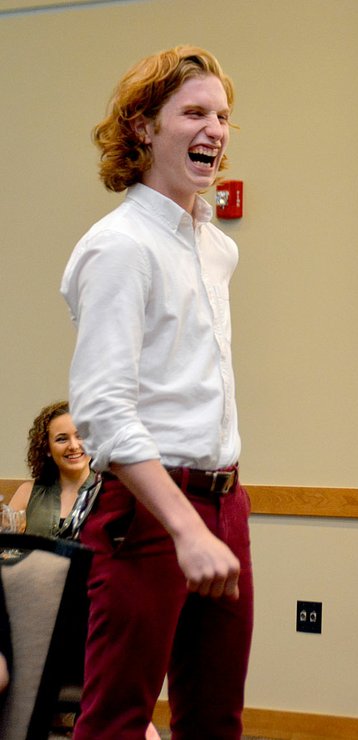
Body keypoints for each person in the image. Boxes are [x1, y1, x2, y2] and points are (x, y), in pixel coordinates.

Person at [60, 46, 253, 740]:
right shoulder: (120, 247)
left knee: (213, 722)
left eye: (223, 116)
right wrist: (184, 528)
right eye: (194, 113)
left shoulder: (215, 247)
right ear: (143, 128)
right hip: (146, 513)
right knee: (116, 721)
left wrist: (213, 522)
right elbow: (104, 412)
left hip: (224, 499)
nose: (215, 130)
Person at [9, 401, 95, 537]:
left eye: (81, 436)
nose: (73, 446)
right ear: (47, 448)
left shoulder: (111, 492)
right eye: (61, 439)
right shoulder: (27, 493)